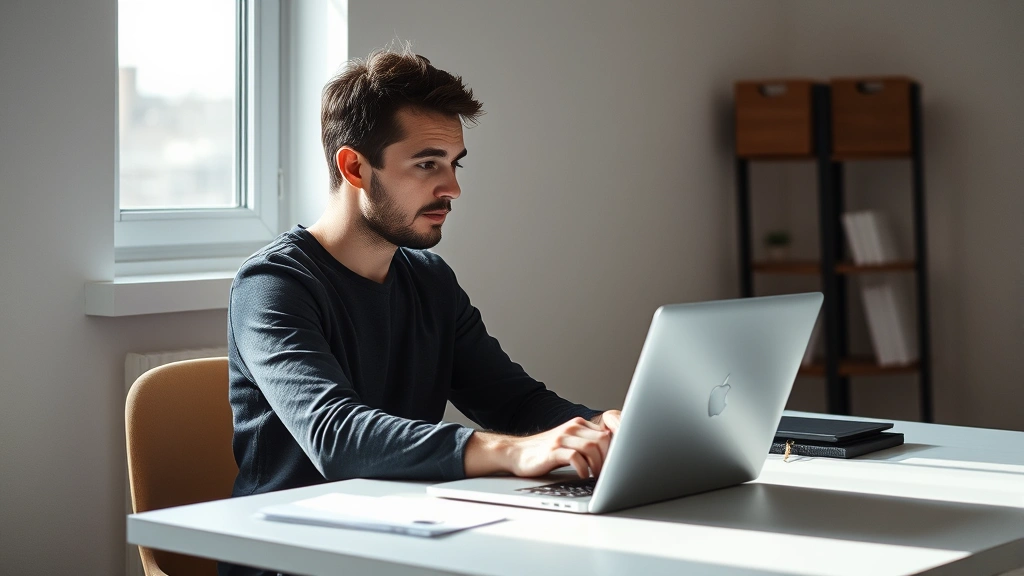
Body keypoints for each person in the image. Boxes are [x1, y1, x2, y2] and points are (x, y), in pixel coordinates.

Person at [221, 47, 621, 576]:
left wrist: (605, 429)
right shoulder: (273, 284)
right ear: (355, 167)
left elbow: (515, 402)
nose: (452, 188)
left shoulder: (430, 279)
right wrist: (515, 453)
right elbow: (337, 437)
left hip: (405, 545)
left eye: (453, 165)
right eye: (427, 163)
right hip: (293, 560)